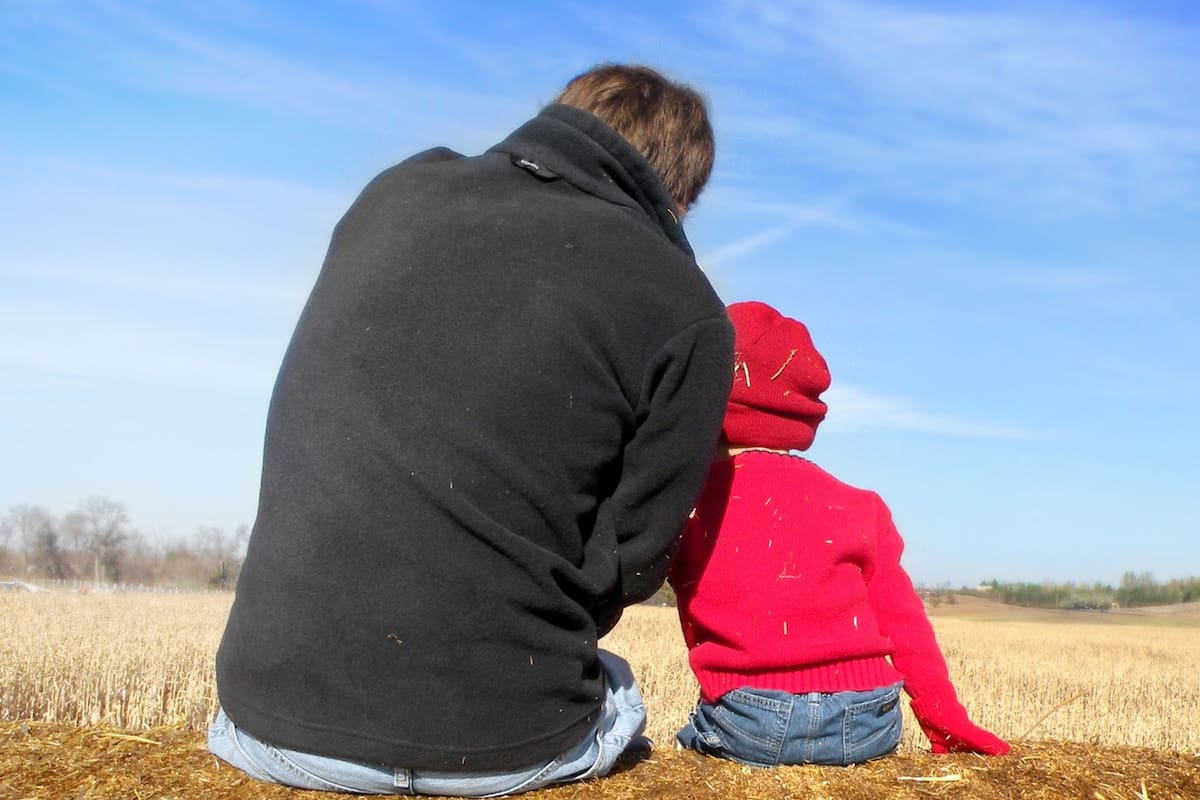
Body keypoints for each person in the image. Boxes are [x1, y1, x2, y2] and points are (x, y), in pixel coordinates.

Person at [208, 64, 734, 796]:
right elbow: (633, 561)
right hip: (497, 746)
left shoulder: (395, 191)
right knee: (618, 689)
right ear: (678, 196)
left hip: (262, 725)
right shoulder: (688, 308)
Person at [669, 301, 1010, 767]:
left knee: (675, 747)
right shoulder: (860, 506)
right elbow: (904, 622)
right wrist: (944, 717)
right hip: (872, 716)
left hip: (753, 717)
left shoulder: (689, 505)